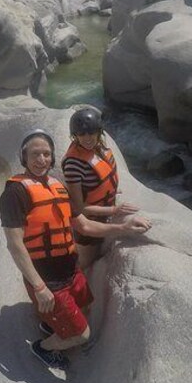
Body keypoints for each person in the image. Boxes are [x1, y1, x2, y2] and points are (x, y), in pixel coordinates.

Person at [0, 129, 151, 371]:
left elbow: (84, 225)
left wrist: (124, 227)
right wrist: (39, 288)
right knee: (81, 336)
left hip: (70, 269)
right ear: (24, 157)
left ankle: (52, 324)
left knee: (86, 305)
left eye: (46, 154)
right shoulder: (15, 193)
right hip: (48, 280)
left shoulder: (57, 186)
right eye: (35, 154)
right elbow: (15, 244)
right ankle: (43, 347)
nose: (41, 160)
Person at [63, 107, 150, 270]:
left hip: (104, 209)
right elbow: (79, 207)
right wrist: (114, 210)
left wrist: (111, 193)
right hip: (91, 222)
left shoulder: (99, 148)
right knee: (85, 263)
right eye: (81, 134)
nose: (87, 138)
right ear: (75, 135)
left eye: (91, 132)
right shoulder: (74, 164)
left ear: (99, 131)